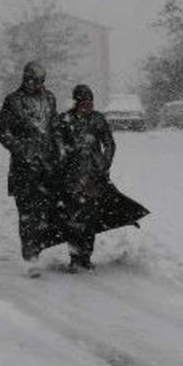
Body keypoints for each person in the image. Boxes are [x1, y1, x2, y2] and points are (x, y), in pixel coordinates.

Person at [0, 61, 59, 277]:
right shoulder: (13, 101)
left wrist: (59, 149)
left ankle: (38, 248)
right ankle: (30, 258)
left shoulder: (50, 99)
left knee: (45, 213)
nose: (36, 85)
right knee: (27, 214)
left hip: (47, 167)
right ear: (24, 79)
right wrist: (20, 149)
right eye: (32, 80)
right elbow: (0, 130)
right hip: (23, 168)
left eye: (40, 81)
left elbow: (55, 127)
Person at [56, 84, 116, 272]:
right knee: (73, 219)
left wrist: (104, 164)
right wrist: (64, 156)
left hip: (93, 179)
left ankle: (86, 256)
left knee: (90, 219)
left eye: (90, 102)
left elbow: (109, 144)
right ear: (76, 103)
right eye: (83, 103)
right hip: (71, 178)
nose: (87, 106)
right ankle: (74, 257)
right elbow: (56, 144)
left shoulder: (98, 120)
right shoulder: (65, 120)